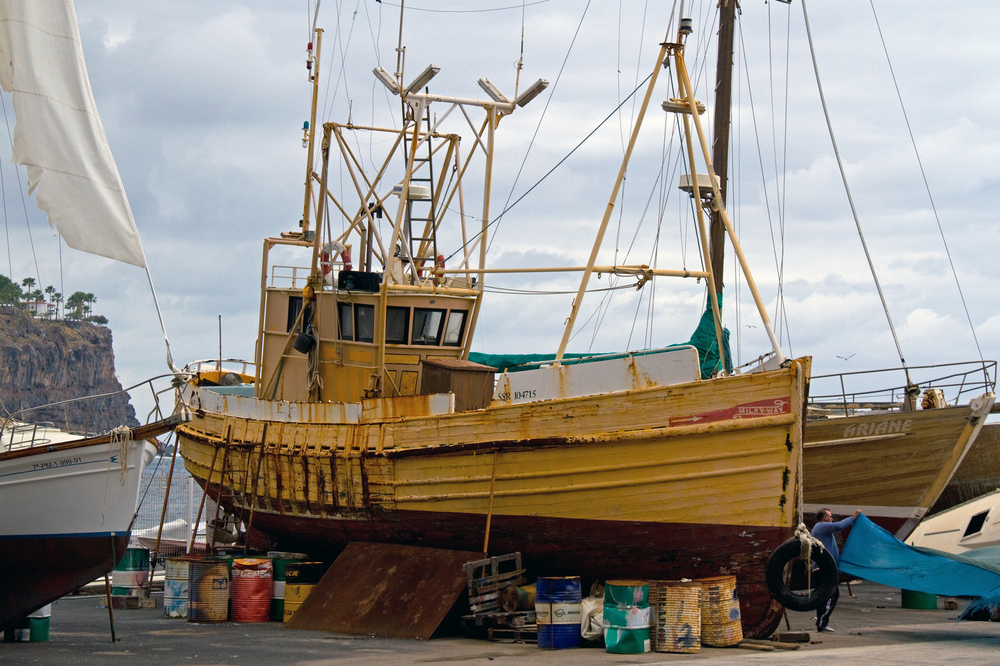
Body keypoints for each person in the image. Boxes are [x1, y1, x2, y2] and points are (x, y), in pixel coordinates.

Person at [811, 508, 860, 632]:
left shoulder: (821, 528)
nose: (832, 518)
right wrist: (853, 517)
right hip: (824, 568)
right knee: (832, 594)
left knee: (822, 595)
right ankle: (822, 622)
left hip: (821, 568)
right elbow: (839, 526)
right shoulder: (822, 526)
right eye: (830, 516)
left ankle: (821, 623)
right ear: (824, 518)